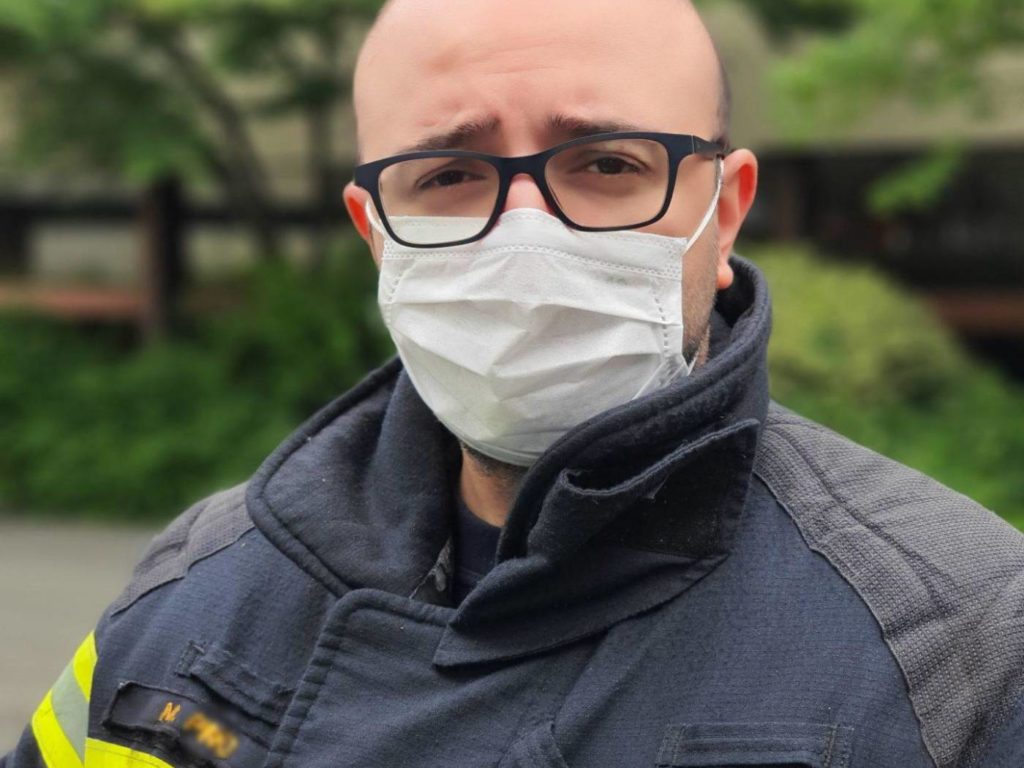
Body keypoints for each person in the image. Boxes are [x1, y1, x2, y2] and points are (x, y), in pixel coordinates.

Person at [5, 0, 1024, 766]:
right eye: (448, 176)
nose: (526, 237)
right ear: (375, 233)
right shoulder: (193, 594)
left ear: (723, 214)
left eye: (608, 165)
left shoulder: (965, 642)